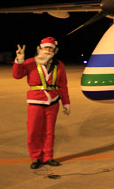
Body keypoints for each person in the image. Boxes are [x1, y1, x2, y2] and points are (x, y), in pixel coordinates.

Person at [13, 37, 71, 169]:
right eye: (46, 47)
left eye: (51, 48)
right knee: (34, 131)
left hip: (53, 101)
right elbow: (17, 75)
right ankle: (35, 157)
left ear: (54, 49)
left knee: (49, 132)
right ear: (40, 48)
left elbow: (63, 86)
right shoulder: (30, 62)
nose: (48, 50)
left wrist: (66, 103)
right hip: (36, 101)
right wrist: (19, 61)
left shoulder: (59, 64)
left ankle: (48, 157)